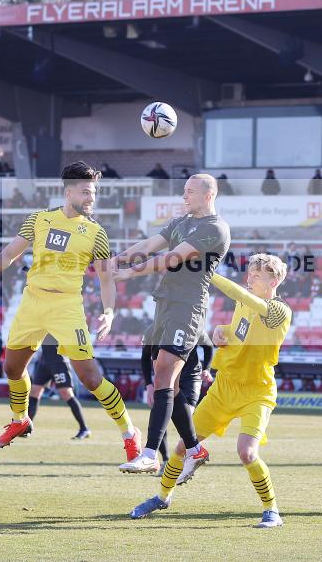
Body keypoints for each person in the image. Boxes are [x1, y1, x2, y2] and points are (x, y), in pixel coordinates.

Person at [0, 162, 140, 461]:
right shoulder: (39, 220)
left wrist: (109, 311)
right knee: (12, 368)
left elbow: (106, 278)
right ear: (68, 192)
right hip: (32, 302)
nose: (91, 198)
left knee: (91, 378)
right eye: (85, 192)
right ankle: (20, 420)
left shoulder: (97, 233)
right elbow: (12, 251)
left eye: (93, 193)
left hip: (67, 306)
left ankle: (130, 433)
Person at [129, 254, 292, 528]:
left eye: (257, 276)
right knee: (183, 446)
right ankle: (162, 497)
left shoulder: (279, 311)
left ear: (274, 281)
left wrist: (206, 274)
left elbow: (246, 299)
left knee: (247, 452)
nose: (250, 279)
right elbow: (240, 330)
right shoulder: (243, 301)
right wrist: (221, 331)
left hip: (257, 391)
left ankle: (271, 510)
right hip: (224, 387)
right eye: (249, 274)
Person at [113, 174, 231, 474]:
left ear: (208, 195)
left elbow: (173, 258)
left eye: (190, 192)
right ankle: (195, 449)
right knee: (170, 383)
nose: (184, 196)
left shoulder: (215, 228)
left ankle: (151, 454)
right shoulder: (181, 222)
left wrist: (130, 272)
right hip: (164, 304)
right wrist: (118, 259)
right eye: (184, 191)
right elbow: (151, 243)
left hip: (187, 307)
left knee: (164, 371)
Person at [140, 330, 213, 476]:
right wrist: (148, 385)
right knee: (162, 417)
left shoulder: (190, 324)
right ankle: (167, 460)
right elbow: (145, 357)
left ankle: (190, 456)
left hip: (190, 378)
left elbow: (208, 346)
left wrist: (207, 369)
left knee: (186, 418)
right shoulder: (153, 330)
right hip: (168, 379)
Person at [28, 335, 91, 440]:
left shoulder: (59, 321)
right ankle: (27, 427)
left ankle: (84, 428)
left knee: (66, 393)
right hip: (44, 362)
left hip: (59, 362)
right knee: (34, 392)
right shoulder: (42, 321)